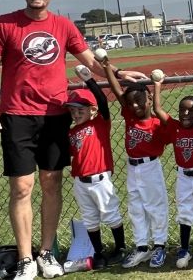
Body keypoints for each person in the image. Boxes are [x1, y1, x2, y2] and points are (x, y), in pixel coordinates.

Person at [0, 0, 143, 280]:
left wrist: (117, 74)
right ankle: (26, 259)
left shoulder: (63, 25)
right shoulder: (5, 24)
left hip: (55, 113)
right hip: (18, 114)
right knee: (21, 186)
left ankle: (46, 252)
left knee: (51, 182)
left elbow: (90, 60)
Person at [100, 57, 171, 269]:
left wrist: (157, 87)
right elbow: (118, 93)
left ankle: (160, 245)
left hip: (150, 167)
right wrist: (106, 68)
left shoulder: (157, 123)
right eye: (131, 102)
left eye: (140, 99)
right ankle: (142, 247)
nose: (135, 105)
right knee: (136, 208)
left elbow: (160, 113)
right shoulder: (130, 115)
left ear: (149, 99)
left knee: (156, 206)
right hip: (133, 167)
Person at [150, 75, 193, 268]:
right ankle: (184, 248)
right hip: (183, 176)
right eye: (182, 110)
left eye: (191, 110)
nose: (185, 113)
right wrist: (157, 85)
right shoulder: (175, 126)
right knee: (184, 212)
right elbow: (157, 109)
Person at [67, 66, 127, 270]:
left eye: (80, 110)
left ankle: (120, 248)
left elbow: (102, 102)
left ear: (92, 110)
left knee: (110, 214)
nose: (76, 114)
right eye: (73, 110)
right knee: (90, 218)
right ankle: (98, 252)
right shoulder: (72, 132)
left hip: (100, 180)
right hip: (80, 182)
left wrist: (89, 80)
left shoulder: (100, 124)